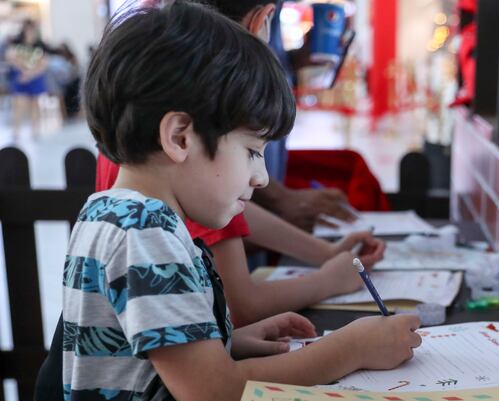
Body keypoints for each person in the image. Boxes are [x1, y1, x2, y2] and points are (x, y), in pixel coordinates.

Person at [69, 2, 420, 401]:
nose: (261, 179)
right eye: (253, 151)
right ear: (180, 137)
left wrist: (225, 342)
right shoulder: (147, 232)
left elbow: (136, 353)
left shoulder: (115, 212)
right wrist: (351, 349)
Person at [95, 0, 378, 327]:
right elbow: (222, 356)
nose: (261, 179)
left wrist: (325, 255)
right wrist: (349, 340)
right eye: (250, 152)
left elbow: (233, 216)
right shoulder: (154, 231)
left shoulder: (155, 141)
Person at [5, 19, 50, 140]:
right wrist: (23, 71)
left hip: (35, 78)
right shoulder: (16, 42)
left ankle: (35, 130)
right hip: (20, 78)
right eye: (28, 29)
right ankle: (16, 131)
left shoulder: (41, 44)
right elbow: (10, 58)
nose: (30, 31)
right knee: (18, 104)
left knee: (35, 104)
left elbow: (44, 63)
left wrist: (31, 74)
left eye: (32, 29)